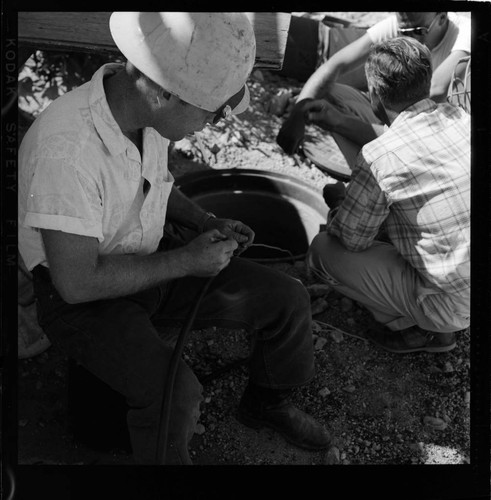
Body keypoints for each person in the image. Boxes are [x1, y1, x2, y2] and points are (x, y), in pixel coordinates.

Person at [18, 12, 331, 465]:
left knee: (287, 299)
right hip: (84, 301)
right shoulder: (66, 153)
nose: (218, 120)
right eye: (212, 110)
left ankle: (267, 404)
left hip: (149, 257)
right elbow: (77, 283)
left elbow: (157, 183)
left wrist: (203, 221)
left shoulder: (140, 111)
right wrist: (186, 262)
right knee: (175, 394)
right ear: (164, 90)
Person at [306, 36, 470, 354]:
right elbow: (407, 135)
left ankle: (422, 328)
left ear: (376, 95)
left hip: (451, 305)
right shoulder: (462, 119)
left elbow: (352, 240)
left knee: (324, 250)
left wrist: (341, 203)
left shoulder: (380, 157)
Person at [277, 12, 471, 166]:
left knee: (402, 126)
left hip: (440, 136)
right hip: (403, 123)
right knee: (327, 95)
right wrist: (298, 113)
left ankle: (376, 177)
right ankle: (364, 172)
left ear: (442, 18)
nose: (410, 38)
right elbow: (334, 65)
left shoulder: (466, 32)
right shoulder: (404, 25)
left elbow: (435, 90)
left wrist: (340, 122)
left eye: (418, 31)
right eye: (404, 32)